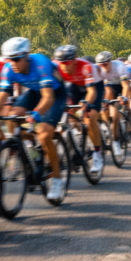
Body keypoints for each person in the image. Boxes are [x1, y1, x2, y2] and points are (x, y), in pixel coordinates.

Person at [0, 37, 67, 201]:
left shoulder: (40, 63)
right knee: (12, 115)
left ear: (27, 56)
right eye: (10, 60)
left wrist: (36, 114)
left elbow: (48, 97)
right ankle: (32, 149)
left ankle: (57, 180)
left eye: (16, 59)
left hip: (55, 94)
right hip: (33, 92)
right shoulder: (8, 69)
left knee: (44, 134)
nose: (13, 63)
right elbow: (2, 95)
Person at [54, 45, 105, 174]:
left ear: (75, 59)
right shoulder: (57, 67)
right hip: (75, 85)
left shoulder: (85, 66)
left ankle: (97, 154)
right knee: (65, 113)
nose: (64, 66)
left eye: (67, 62)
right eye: (61, 63)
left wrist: (86, 103)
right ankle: (75, 137)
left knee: (89, 117)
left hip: (93, 86)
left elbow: (91, 92)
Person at [94, 50, 131, 156]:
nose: (103, 66)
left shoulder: (119, 66)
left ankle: (115, 141)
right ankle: (107, 125)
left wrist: (124, 98)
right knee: (106, 99)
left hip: (121, 87)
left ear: (110, 61)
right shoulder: (98, 69)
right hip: (109, 89)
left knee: (116, 115)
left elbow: (125, 86)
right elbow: (101, 89)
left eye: (105, 64)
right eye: (100, 64)